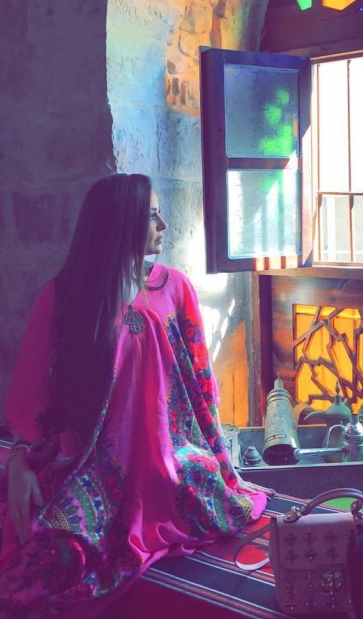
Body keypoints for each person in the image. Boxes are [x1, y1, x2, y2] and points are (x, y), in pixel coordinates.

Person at [0, 173, 270, 618]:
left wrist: (222, 459)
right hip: (90, 460)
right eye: (151, 216)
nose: (163, 225)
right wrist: (20, 461)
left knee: (209, 495)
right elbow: (30, 393)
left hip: (170, 456)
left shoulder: (174, 288)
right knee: (59, 551)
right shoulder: (65, 297)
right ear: (120, 223)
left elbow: (201, 384)